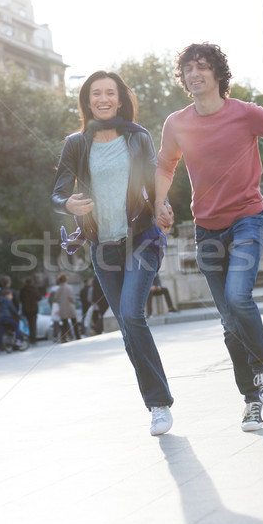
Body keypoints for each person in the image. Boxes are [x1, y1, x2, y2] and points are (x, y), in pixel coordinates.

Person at [155, 43, 263, 432]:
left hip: (248, 220)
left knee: (239, 297)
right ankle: (251, 400)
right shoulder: (177, 123)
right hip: (206, 228)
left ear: (218, 74)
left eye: (203, 67)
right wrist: (158, 202)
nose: (195, 74)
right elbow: (164, 165)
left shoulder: (245, 114)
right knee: (228, 321)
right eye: (189, 68)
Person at [51, 70, 174, 436]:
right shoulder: (75, 143)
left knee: (131, 315)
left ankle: (158, 404)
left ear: (120, 99)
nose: (103, 99)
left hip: (142, 238)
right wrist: (67, 204)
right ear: (87, 101)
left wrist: (162, 204)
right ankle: (156, 401)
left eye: (110, 93)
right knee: (126, 326)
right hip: (102, 247)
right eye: (95, 94)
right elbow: (58, 191)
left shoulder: (138, 137)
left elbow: (154, 179)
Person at [54, 273, 80, 344]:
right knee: (74, 322)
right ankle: (77, 336)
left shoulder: (58, 289)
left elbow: (56, 299)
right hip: (70, 307)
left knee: (64, 324)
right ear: (66, 280)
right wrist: (74, 302)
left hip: (62, 308)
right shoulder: (69, 287)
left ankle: (63, 338)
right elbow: (71, 298)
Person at [0, 288, 22, 353]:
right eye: (10, 295)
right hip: (7, 317)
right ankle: (18, 340)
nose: (11, 297)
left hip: (1, 318)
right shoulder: (7, 300)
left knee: (0, 333)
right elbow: (13, 310)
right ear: (7, 295)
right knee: (16, 326)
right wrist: (17, 314)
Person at [19, 277, 41, 345]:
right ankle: (33, 339)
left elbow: (20, 298)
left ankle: (29, 338)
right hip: (34, 309)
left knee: (27, 325)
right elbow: (39, 297)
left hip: (26, 310)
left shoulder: (23, 290)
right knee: (33, 325)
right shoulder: (34, 289)